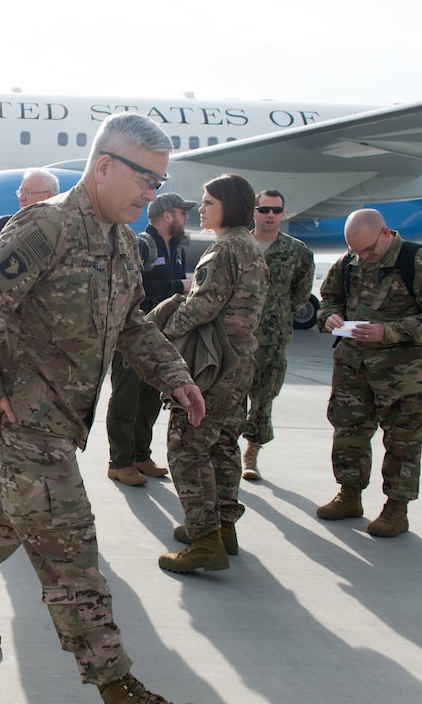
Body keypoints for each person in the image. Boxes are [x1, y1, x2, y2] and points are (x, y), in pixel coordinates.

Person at [0, 113, 205, 704]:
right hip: (28, 418)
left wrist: (174, 375)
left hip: (66, 420)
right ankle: (114, 681)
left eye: (160, 183)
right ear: (104, 166)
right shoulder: (46, 228)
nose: (154, 195)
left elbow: (129, 324)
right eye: (147, 180)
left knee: (7, 514)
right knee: (71, 550)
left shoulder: (123, 244)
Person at [315, 208, 422, 537]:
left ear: (386, 233)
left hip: (402, 373)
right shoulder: (350, 261)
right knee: (349, 431)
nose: (364, 257)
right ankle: (349, 495)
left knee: (402, 441)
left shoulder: (421, 263)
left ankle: (396, 508)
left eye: (369, 250)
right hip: (353, 367)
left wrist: (386, 332)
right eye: (357, 251)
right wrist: (331, 317)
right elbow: (329, 297)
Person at [156, 174, 268, 574]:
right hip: (239, 362)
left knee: (186, 445)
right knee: (221, 445)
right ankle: (222, 528)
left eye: (208, 202)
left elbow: (204, 307)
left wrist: (159, 332)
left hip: (214, 365)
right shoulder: (250, 246)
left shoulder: (224, 250)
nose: (200, 209)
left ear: (230, 206)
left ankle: (205, 540)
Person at [105, 192, 194, 486]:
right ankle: (120, 461)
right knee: (125, 399)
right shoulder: (142, 245)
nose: (187, 217)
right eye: (183, 212)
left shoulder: (177, 250)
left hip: (163, 337)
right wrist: (178, 284)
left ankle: (141, 454)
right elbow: (130, 284)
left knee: (151, 399)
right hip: (133, 334)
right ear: (167, 215)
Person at [241, 190, 314, 480]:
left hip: (272, 339)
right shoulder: (239, 245)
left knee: (263, 399)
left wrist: (278, 315)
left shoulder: (298, 252)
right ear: (254, 213)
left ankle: (251, 454)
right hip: (236, 336)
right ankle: (224, 451)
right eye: (264, 210)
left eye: (275, 210)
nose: (269, 215)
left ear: (283, 214)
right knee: (229, 397)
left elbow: (300, 293)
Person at [0, 167, 60, 266]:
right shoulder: (0, 224)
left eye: (28, 192)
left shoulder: (62, 230)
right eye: (20, 192)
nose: (21, 198)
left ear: (49, 196)